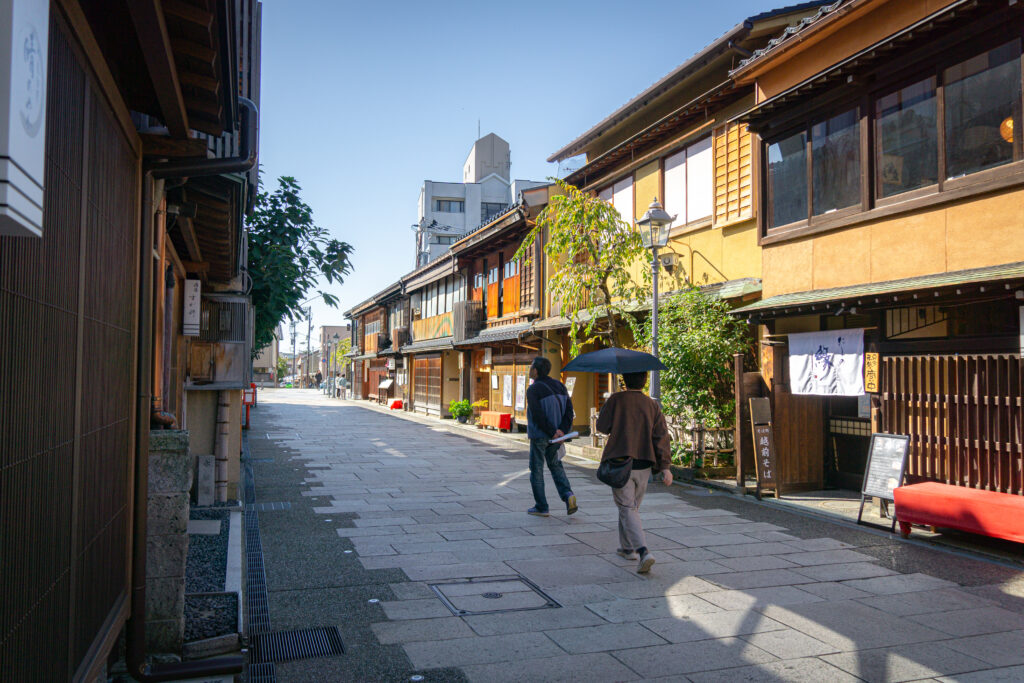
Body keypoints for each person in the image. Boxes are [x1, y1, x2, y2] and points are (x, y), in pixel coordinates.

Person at [596, 371, 672, 574]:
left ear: (624, 380)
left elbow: (601, 427)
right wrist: (665, 467)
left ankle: (643, 551)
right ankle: (626, 547)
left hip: (620, 461)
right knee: (631, 508)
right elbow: (661, 436)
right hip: (644, 464)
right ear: (645, 380)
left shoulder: (616, 399)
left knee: (627, 508)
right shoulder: (652, 405)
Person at [525, 357, 577, 517]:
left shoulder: (533, 389)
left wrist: (551, 431)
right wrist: (561, 430)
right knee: (555, 465)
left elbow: (537, 414)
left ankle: (542, 506)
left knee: (537, 469)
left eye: (531, 366)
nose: (529, 369)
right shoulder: (560, 386)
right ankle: (568, 495)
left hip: (541, 435)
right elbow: (569, 410)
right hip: (558, 437)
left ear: (536, 370)